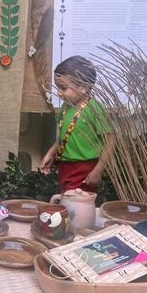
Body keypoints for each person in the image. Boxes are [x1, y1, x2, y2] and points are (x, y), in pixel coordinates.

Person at [40, 55, 113, 193]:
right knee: (66, 202)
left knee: (78, 207)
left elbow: (111, 140)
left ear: (84, 87)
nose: (59, 93)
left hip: (85, 169)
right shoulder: (66, 108)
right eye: (57, 87)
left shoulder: (95, 109)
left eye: (63, 88)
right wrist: (50, 153)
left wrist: (98, 170)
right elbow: (64, 136)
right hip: (65, 167)